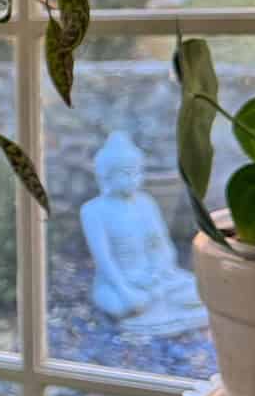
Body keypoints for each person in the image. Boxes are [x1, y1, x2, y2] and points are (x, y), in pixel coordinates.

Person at [80, 130, 207, 336]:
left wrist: (158, 271)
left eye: (138, 173)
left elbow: (162, 246)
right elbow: (104, 260)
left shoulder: (146, 203)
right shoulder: (93, 211)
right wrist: (126, 290)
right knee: (126, 305)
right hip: (119, 283)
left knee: (197, 291)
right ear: (107, 174)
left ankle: (161, 308)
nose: (134, 180)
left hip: (156, 278)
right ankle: (150, 308)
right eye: (126, 173)